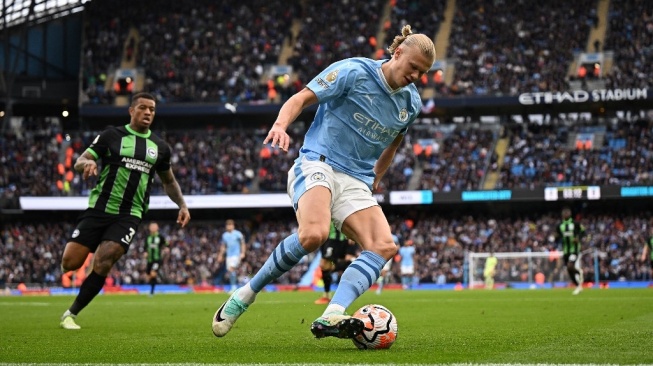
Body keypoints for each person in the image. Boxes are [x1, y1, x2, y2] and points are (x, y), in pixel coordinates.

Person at [212, 24, 435, 340]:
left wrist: (374, 180)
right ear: (398, 53)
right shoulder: (352, 71)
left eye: (422, 72)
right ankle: (245, 294)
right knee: (314, 234)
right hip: (319, 162)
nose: (416, 76)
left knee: (385, 245)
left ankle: (333, 313)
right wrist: (280, 125)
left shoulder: (410, 104)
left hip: (356, 179)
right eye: (413, 67)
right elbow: (301, 98)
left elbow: (393, 144)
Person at [59, 92, 190, 330]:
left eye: (152, 109)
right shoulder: (111, 135)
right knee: (70, 263)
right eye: (143, 107)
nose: (148, 112)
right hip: (99, 208)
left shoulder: (160, 147)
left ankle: (71, 313)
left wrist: (181, 204)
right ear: (131, 110)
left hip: (130, 214)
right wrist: (87, 163)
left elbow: (169, 181)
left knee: (106, 258)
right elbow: (80, 160)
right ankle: (77, 272)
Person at [314, 222, 358, 304]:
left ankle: (329, 295)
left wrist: (352, 233)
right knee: (325, 265)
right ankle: (327, 295)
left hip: (339, 240)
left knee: (327, 264)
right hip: (328, 240)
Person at [557, 207, 586, 295]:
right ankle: (578, 286)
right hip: (566, 251)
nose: (566, 214)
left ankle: (579, 272)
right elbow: (558, 236)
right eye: (564, 213)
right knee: (569, 270)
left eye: (567, 213)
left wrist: (578, 238)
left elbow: (583, 231)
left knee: (570, 266)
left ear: (570, 214)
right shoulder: (559, 225)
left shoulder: (575, 223)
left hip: (574, 250)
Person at [217, 219, 246, 294]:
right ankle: (236, 286)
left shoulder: (238, 234)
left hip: (236, 255)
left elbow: (242, 243)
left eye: (230, 225)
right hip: (229, 256)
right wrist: (220, 255)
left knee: (231, 269)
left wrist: (243, 253)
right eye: (227, 225)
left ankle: (234, 287)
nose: (229, 226)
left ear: (233, 226)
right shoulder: (224, 235)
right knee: (230, 271)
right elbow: (223, 246)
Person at [144, 221, 167, 296]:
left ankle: (154, 289)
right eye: (152, 226)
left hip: (157, 259)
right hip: (149, 260)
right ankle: (153, 289)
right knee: (148, 276)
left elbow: (167, 244)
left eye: (154, 226)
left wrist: (167, 248)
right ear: (149, 228)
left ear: (157, 228)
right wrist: (145, 252)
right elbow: (145, 247)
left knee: (153, 274)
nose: (153, 228)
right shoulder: (147, 237)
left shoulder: (160, 237)